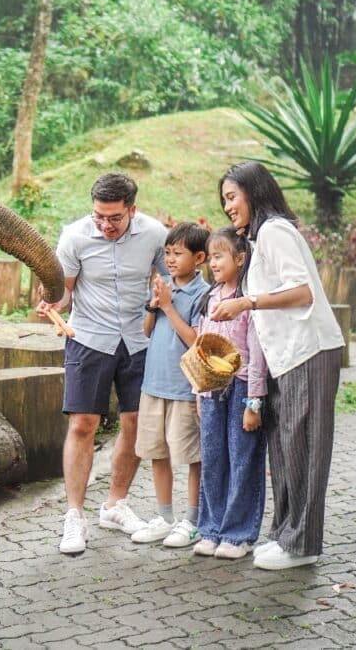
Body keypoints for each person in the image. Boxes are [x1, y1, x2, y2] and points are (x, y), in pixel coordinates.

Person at [210, 161, 344, 570]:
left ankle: (303, 546)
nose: (227, 206)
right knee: (286, 448)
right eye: (224, 200)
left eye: (232, 197)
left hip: (310, 350)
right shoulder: (258, 238)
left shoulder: (275, 231)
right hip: (285, 357)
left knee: (305, 447)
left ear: (254, 192)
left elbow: (302, 291)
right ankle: (286, 535)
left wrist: (247, 302)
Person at [38, 172, 167, 555]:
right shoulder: (74, 236)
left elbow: (169, 279)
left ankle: (115, 505)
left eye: (114, 218)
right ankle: (74, 516)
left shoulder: (155, 234)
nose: (106, 225)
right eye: (99, 216)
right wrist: (53, 302)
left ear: (132, 210)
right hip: (89, 338)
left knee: (136, 422)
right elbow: (65, 291)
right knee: (83, 424)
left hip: (139, 339)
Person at [130, 222, 210, 548]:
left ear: (200, 258)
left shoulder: (204, 295)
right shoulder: (165, 288)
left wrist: (167, 306)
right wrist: (154, 304)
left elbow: (196, 341)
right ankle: (165, 517)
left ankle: (193, 520)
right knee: (156, 452)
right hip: (153, 385)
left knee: (192, 456)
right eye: (167, 253)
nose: (171, 260)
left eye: (178, 253)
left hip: (184, 389)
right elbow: (147, 330)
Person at [193, 226, 269, 560]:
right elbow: (200, 347)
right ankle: (210, 528)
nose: (213, 263)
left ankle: (239, 534)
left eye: (219, 256)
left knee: (243, 459)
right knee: (212, 459)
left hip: (241, 388)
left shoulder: (248, 301)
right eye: (210, 258)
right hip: (211, 388)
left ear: (240, 258)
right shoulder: (209, 298)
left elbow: (257, 355)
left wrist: (254, 402)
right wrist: (199, 391)